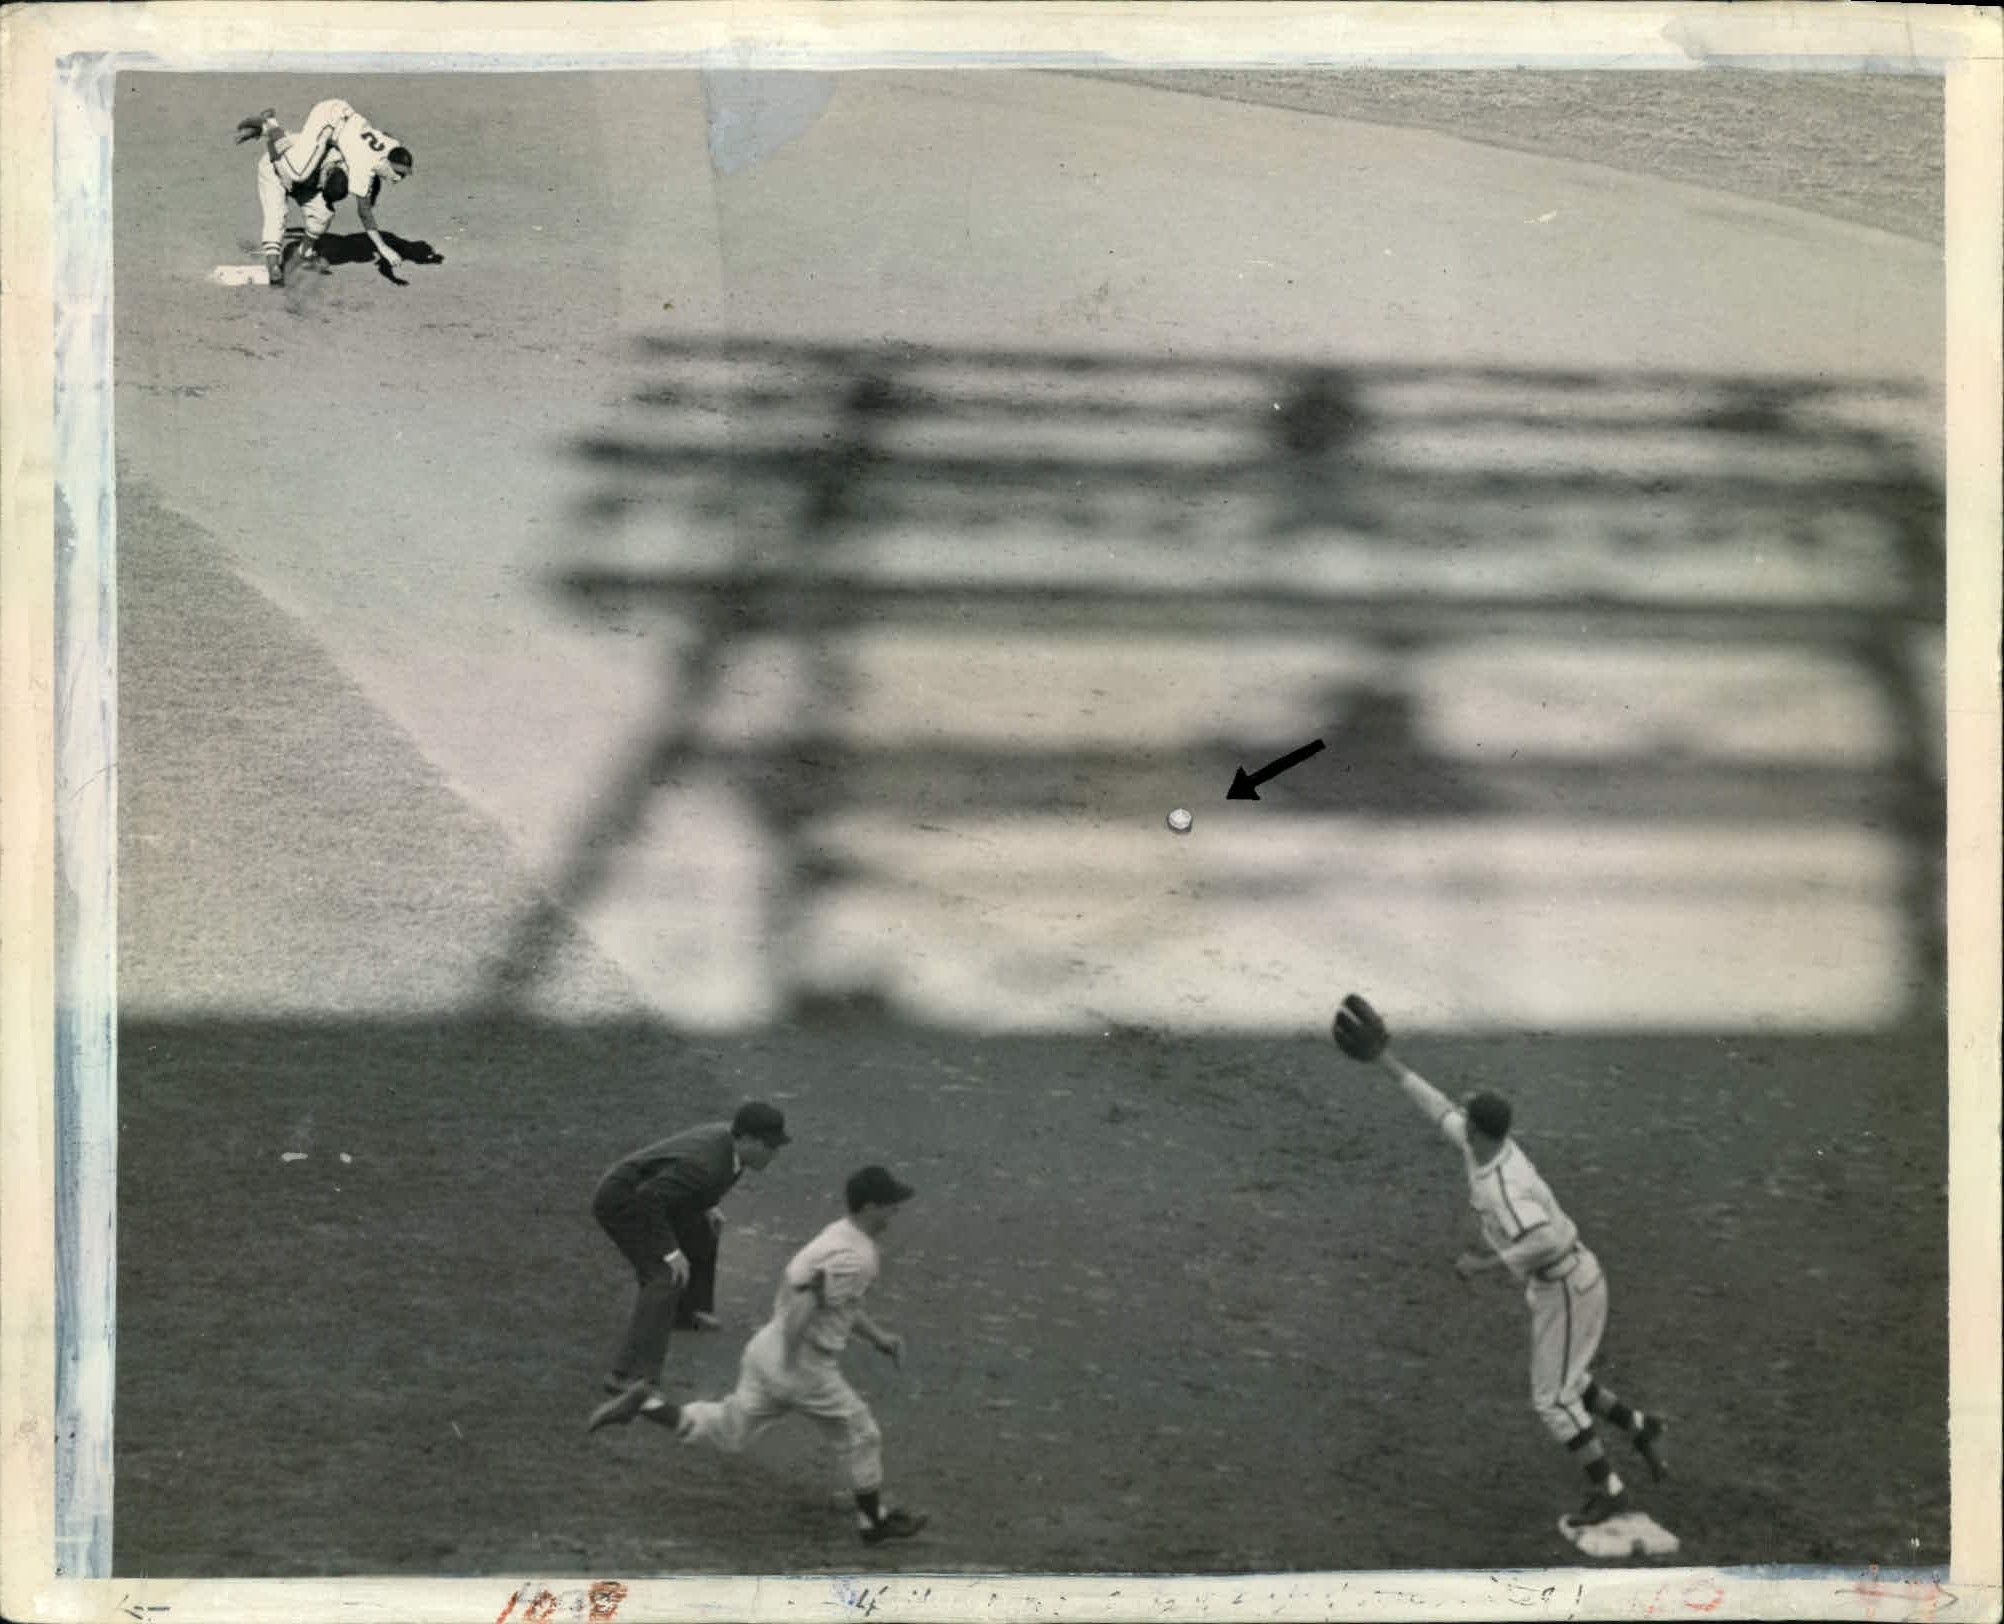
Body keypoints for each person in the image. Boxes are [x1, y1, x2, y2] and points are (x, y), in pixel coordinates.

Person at [1330, 994, 1669, 1531]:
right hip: (1567, 1284)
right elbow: (1436, 1106)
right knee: (1567, 1379)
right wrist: (1386, 1062)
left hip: (1567, 1284)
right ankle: (1639, 1425)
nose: (1459, 1117)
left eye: (1468, 1116)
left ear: (1480, 1131)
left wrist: (1483, 1264)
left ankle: (1610, 1489)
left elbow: (1545, 1240)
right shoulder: (1486, 1148)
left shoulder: (1505, 1187)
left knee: (1551, 1400)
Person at [605, 1165, 929, 1547]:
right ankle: (873, 1522)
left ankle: (648, 1405)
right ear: (870, 1206)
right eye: (891, 1206)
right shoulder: (854, 1257)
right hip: (802, 1361)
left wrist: (878, 1338)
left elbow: (836, 1302)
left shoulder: (837, 1235)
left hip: (764, 1348)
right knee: (862, 1433)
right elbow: (807, 1307)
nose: (896, 1212)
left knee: (730, 1428)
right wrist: (792, 1361)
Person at [586, 1101, 790, 1422]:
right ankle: (628, 1377)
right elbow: (647, 1199)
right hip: (623, 1204)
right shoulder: (707, 1165)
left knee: (704, 1230)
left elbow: (679, 1186)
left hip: (655, 1198)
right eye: (769, 1146)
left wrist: (703, 1206)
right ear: (747, 1139)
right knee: (664, 1276)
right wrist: (669, 1251)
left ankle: (686, 1313)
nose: (773, 1154)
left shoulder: (729, 1149)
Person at [234, 100, 413, 286]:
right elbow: (364, 211)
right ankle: (270, 126)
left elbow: (384, 142)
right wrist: (383, 248)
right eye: (397, 174)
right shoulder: (360, 165)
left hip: (334, 134)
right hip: (278, 165)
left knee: (323, 214)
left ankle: (304, 254)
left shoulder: (392, 147)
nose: (398, 179)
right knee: (284, 199)